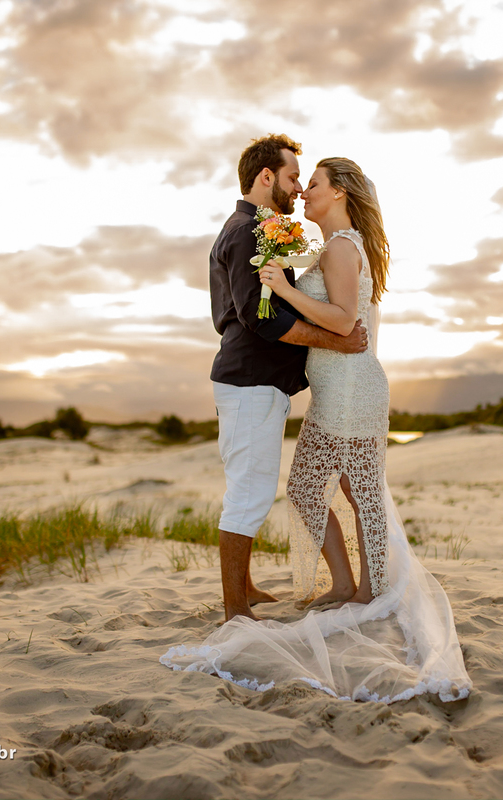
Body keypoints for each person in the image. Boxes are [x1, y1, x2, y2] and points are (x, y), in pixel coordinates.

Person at [164, 157, 471, 704]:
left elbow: (346, 320)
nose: (305, 191)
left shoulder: (341, 247)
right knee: (311, 489)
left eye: (315, 184)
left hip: (352, 385)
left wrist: (282, 287)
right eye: (299, 181)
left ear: (341, 192)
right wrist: (281, 279)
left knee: (357, 489)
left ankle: (371, 590)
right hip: (332, 388)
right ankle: (348, 584)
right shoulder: (328, 245)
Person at [207, 134, 368, 623]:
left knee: (249, 483)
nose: (298, 189)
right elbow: (261, 320)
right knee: (250, 491)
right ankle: (236, 609)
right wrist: (338, 341)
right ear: (266, 177)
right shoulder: (247, 232)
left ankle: (247, 586)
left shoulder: (257, 228)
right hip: (250, 379)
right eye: (294, 176)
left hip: (255, 380)